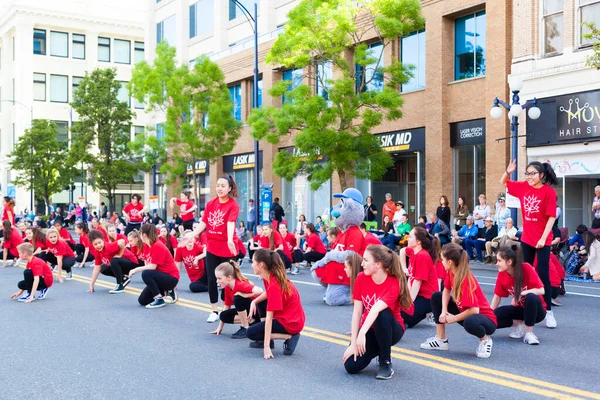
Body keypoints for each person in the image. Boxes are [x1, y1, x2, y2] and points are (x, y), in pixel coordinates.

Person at [343, 245, 412, 380]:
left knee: (381, 313)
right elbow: (357, 312)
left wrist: (362, 333)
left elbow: (375, 309)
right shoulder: (361, 278)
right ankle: (378, 348)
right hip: (370, 329)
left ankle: (385, 361)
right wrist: (353, 342)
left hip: (392, 329)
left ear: (378, 264)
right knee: (350, 366)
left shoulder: (393, 282)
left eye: (366, 260)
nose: (362, 263)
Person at [503, 160, 558, 328]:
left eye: (533, 173)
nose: (529, 177)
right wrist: (508, 171)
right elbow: (503, 183)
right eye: (527, 173)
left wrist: (543, 238)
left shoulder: (548, 192)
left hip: (543, 239)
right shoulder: (523, 187)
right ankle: (523, 309)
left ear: (541, 175)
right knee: (524, 273)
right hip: (527, 238)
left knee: (542, 273)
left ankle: (548, 311)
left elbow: (551, 217)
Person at [420, 243, 497, 358]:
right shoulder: (452, 272)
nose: (441, 262)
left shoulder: (466, 279)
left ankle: (485, 340)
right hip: (467, 313)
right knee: (437, 296)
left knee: (470, 322)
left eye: (442, 260)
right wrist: (444, 311)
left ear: (450, 262)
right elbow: (446, 290)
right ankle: (441, 339)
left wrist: (454, 318)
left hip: (486, 320)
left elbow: (475, 310)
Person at [192, 175, 240, 322]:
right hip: (212, 247)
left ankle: (227, 308)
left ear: (230, 188)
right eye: (218, 185)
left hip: (227, 248)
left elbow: (231, 223)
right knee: (212, 278)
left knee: (228, 280)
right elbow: (203, 223)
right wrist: (191, 235)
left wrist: (231, 239)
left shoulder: (233, 205)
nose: (219, 188)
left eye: (223, 186)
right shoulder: (211, 204)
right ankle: (214, 310)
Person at [247, 248, 305, 358]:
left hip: (291, 323)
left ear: (261, 265)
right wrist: (254, 301)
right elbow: (267, 293)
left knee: (251, 333)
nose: (251, 265)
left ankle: (288, 337)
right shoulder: (269, 276)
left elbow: (269, 318)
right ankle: (268, 338)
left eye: (253, 262)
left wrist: (266, 347)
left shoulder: (274, 286)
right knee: (261, 301)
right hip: (293, 317)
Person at [491, 245, 546, 345]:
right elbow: (497, 296)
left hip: (537, 311)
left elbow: (541, 290)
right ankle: (518, 323)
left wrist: (521, 294)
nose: (496, 264)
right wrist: (488, 316)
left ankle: (529, 333)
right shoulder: (502, 273)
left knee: (531, 297)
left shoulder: (526, 268)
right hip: (520, 310)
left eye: (499, 261)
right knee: (494, 317)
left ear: (509, 262)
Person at [128, 224, 180, 308]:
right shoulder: (146, 246)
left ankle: (159, 299)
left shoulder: (157, 245)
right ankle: (166, 292)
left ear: (144, 235)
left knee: (146, 273)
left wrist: (135, 269)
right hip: (159, 277)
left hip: (171, 278)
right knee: (142, 300)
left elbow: (152, 267)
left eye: (140, 233)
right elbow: (147, 263)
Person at [211, 260, 264, 339]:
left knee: (238, 298)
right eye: (216, 278)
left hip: (259, 310)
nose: (217, 281)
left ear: (229, 277)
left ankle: (245, 328)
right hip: (250, 312)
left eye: (219, 278)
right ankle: (253, 322)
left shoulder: (240, 284)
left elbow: (260, 290)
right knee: (223, 315)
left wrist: (244, 295)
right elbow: (226, 307)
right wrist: (220, 328)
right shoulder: (227, 287)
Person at [400, 227, 438, 328]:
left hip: (428, 298)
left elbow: (417, 282)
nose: (407, 238)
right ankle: (421, 314)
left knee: (401, 314)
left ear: (418, 242)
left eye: (410, 236)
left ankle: (429, 311)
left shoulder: (422, 256)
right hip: (420, 295)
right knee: (398, 309)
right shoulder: (414, 252)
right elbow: (411, 279)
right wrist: (405, 298)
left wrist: (408, 302)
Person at [87, 228, 139, 294]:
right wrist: (91, 284)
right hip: (122, 265)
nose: (98, 245)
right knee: (103, 268)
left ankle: (120, 285)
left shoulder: (108, 247)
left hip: (132, 263)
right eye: (95, 244)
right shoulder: (97, 252)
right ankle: (123, 279)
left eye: (99, 242)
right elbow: (97, 267)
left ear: (103, 240)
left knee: (114, 261)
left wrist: (119, 254)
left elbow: (122, 241)